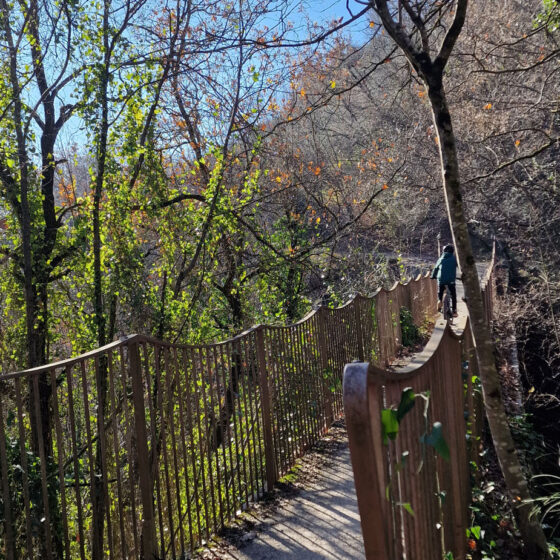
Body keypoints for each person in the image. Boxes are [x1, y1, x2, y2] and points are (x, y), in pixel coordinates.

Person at [431, 244, 458, 317]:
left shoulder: (441, 259)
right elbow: (459, 267)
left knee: (440, 291)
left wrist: (433, 276)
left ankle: (439, 301)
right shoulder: (454, 259)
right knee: (453, 295)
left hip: (441, 279)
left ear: (444, 251)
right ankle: (454, 311)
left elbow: (436, 269)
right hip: (451, 280)